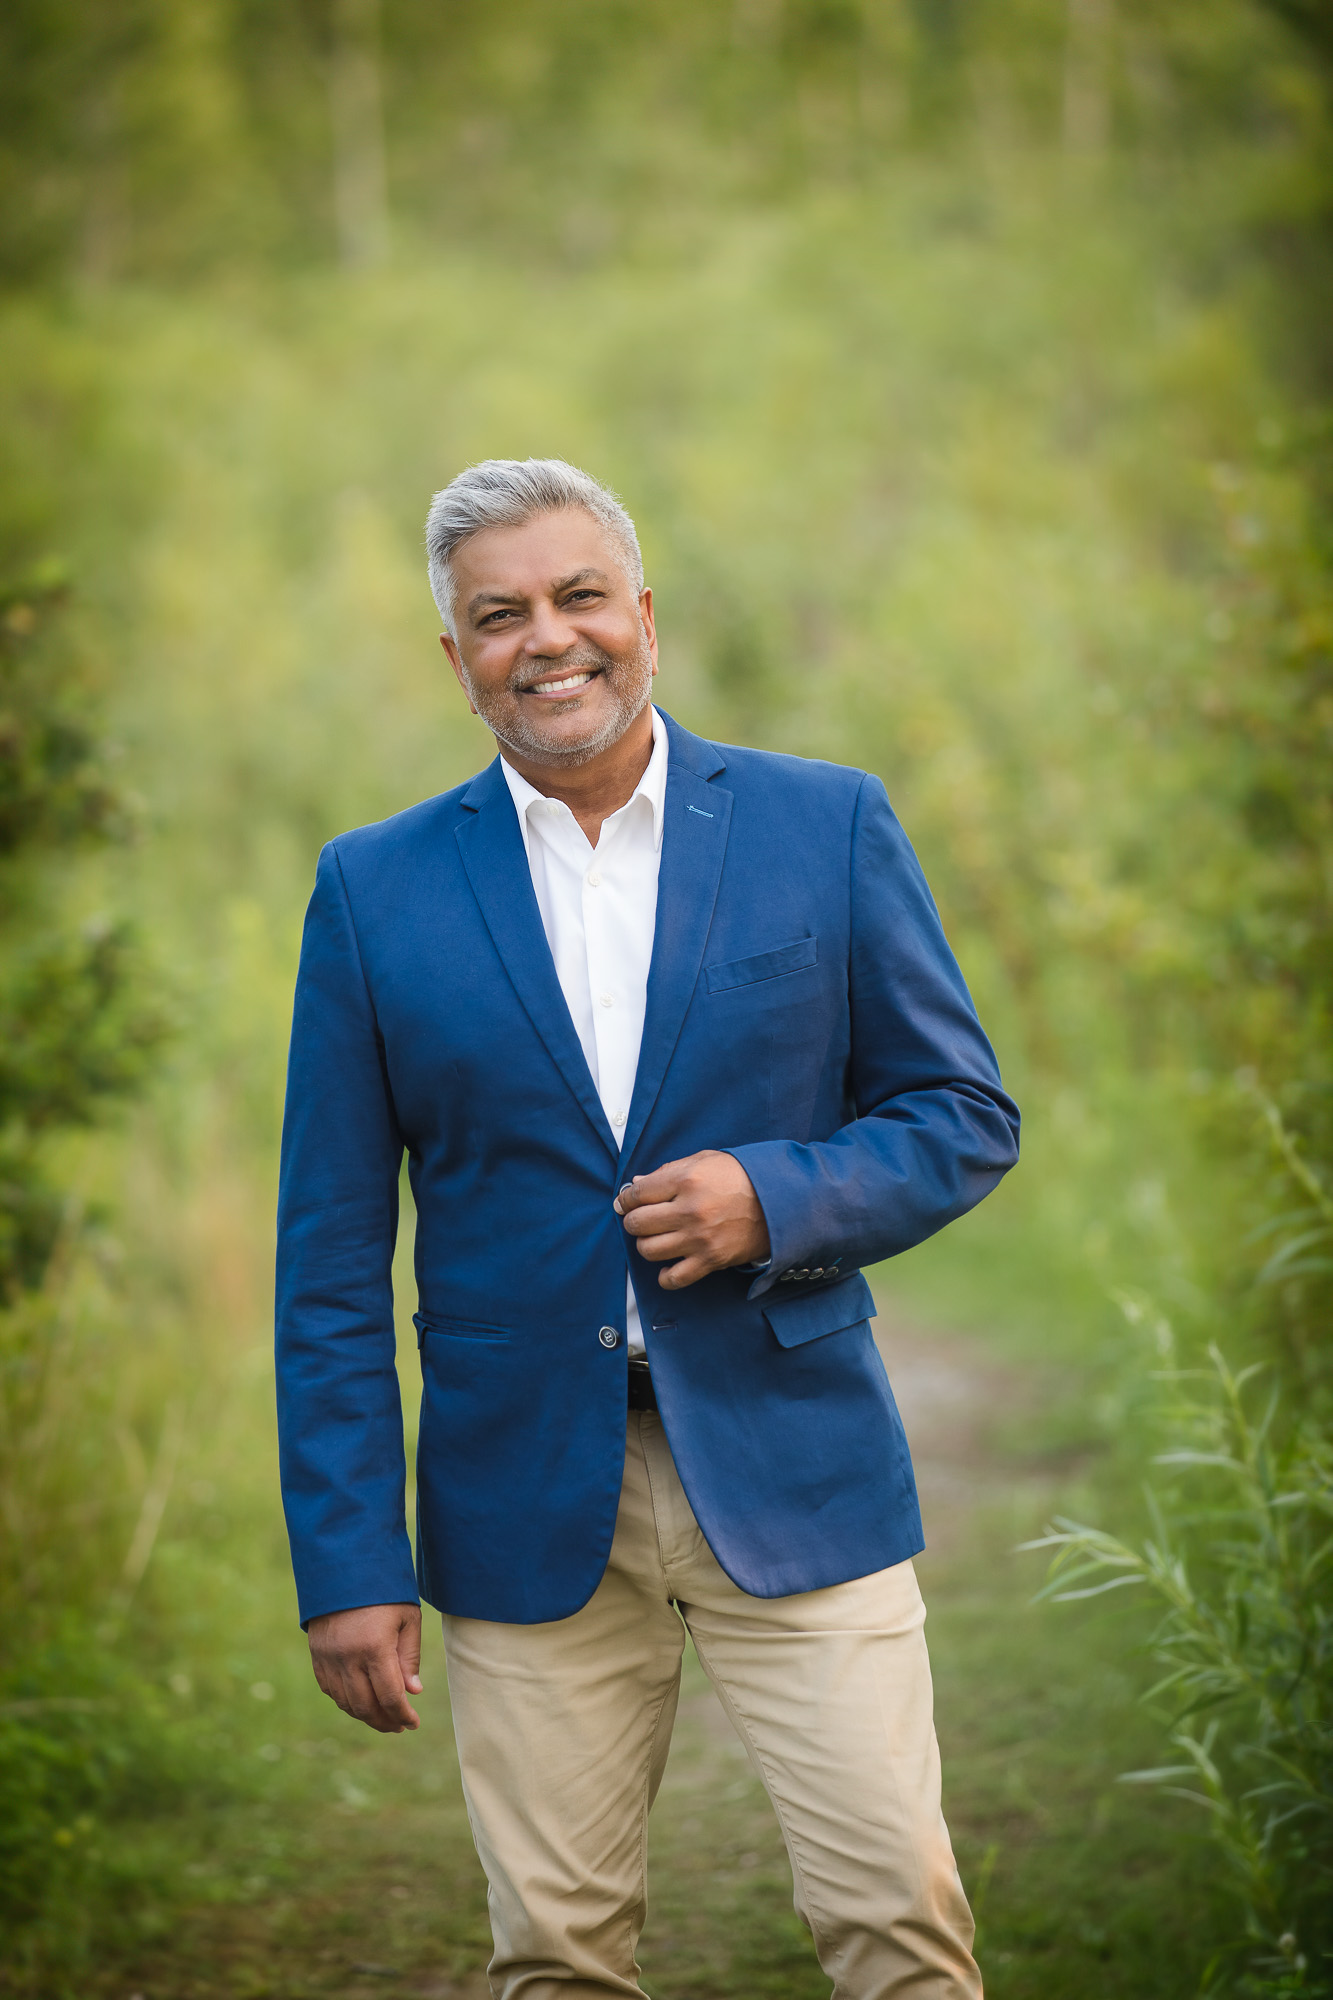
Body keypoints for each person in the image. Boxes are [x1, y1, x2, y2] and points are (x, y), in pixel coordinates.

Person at [276, 457, 1019, 2000]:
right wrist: (347, 1559)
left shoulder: (822, 825)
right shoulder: (372, 890)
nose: (547, 639)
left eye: (579, 597)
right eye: (500, 616)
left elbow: (959, 1114)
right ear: (456, 657)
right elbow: (330, 1259)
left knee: (897, 1922)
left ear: (645, 616)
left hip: (793, 1458)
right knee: (554, 1956)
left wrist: (775, 1197)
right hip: (519, 1492)